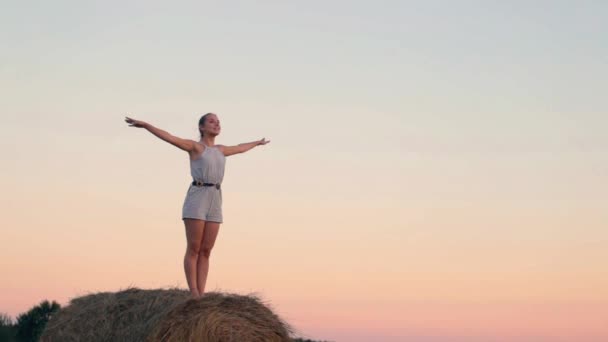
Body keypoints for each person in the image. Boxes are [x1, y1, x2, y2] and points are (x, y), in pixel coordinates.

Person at [124, 113, 270, 297]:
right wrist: (146, 125)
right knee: (194, 247)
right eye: (211, 121)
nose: (216, 124)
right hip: (198, 197)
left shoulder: (221, 150)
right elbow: (169, 137)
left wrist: (257, 143)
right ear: (201, 127)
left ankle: (201, 293)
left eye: (218, 122)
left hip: (216, 198)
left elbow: (240, 148)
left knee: (206, 250)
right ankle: (193, 291)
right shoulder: (195, 147)